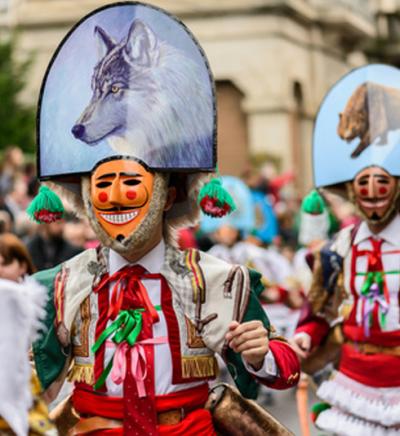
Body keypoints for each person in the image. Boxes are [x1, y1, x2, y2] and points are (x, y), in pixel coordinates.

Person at [31, 4, 299, 435]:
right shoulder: (62, 286)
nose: (116, 198)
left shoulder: (218, 280)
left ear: (168, 194)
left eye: (131, 185)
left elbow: (283, 370)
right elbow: (31, 381)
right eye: (102, 188)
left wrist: (259, 353)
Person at [291, 65, 400, 435]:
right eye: (362, 182)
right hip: (354, 380)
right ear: (351, 189)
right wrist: (307, 333)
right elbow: (319, 308)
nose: (371, 190)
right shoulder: (342, 245)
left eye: (382, 181)